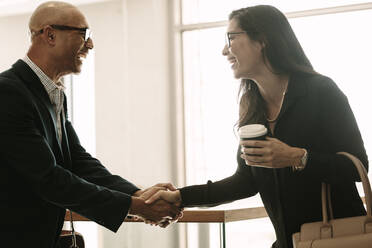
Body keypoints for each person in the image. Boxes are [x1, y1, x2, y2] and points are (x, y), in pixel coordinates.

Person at [143, 5, 369, 248]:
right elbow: (246, 181)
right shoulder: (251, 105)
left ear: (262, 39)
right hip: (290, 243)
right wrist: (180, 197)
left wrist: (298, 157)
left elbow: (357, 167)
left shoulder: (321, 91)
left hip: (339, 240)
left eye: (231, 38)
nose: (224, 51)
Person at [0, 1, 181, 247]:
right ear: (50, 34)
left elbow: (78, 161)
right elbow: (48, 178)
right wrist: (135, 207)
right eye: (84, 34)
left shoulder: (55, 94)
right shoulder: (8, 92)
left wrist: (136, 194)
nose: (91, 44)